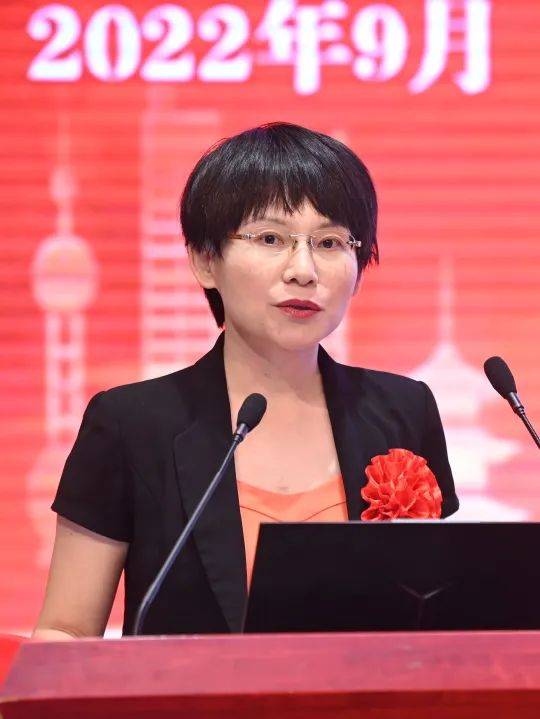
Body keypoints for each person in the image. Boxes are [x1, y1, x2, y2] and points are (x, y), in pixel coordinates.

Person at [32, 121, 459, 640]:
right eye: (271, 238)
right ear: (205, 260)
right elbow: (66, 633)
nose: (303, 270)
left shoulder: (402, 410)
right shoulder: (130, 425)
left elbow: (436, 619)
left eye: (329, 242)